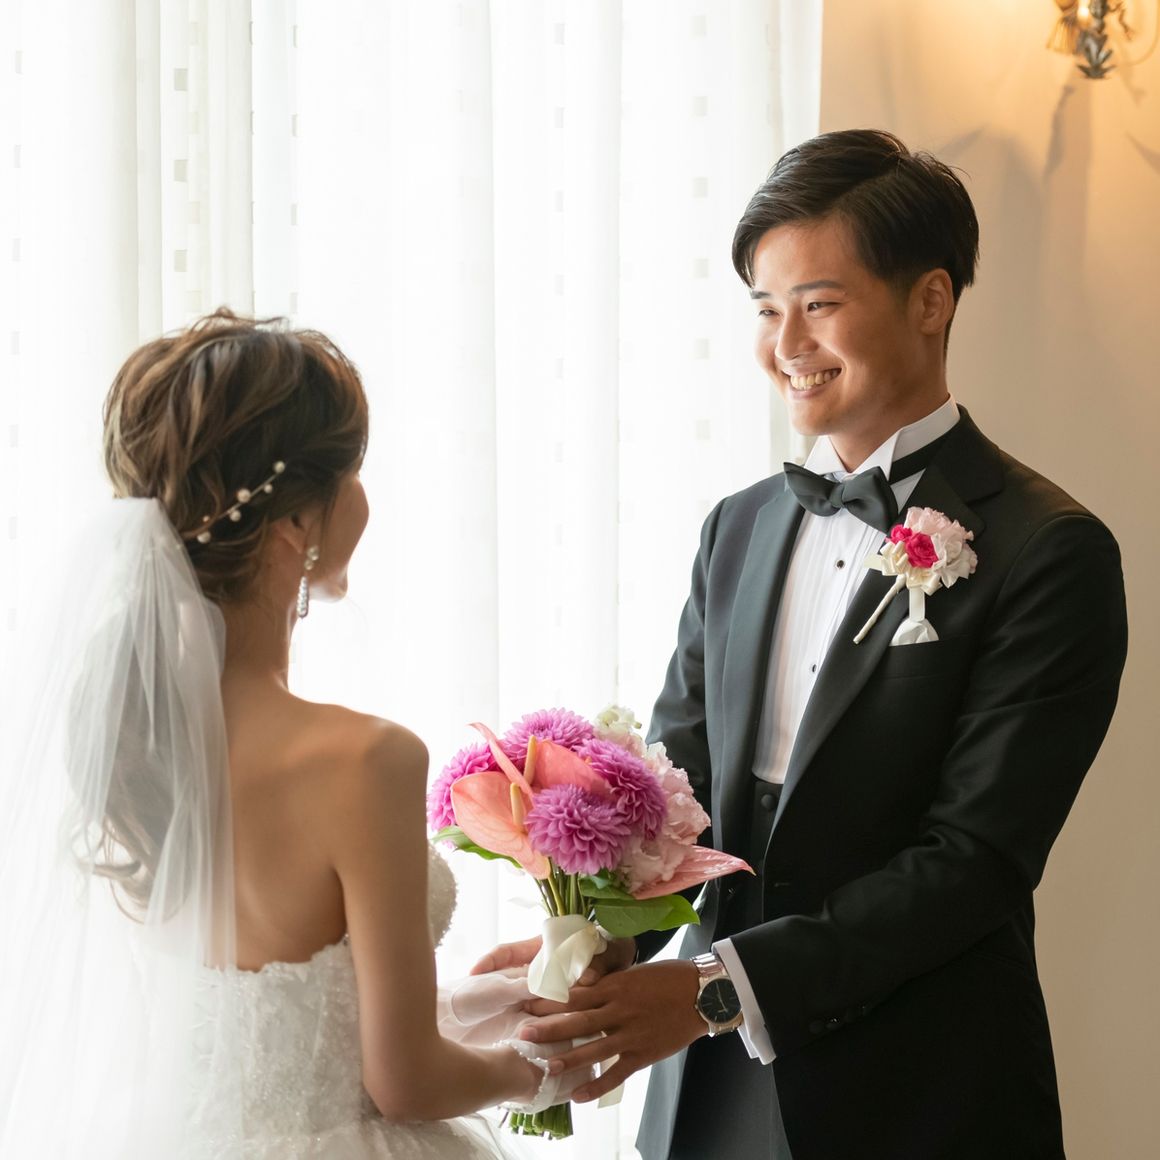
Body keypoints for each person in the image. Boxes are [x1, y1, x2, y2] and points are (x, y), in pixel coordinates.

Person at [500, 129, 1128, 1158]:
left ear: (930, 301)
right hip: (708, 1093)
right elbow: (680, 793)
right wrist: (598, 940)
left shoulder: (1047, 549)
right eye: (764, 308)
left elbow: (972, 861)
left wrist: (712, 991)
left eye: (818, 304)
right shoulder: (737, 526)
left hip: (923, 1093)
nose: (784, 342)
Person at [0, 310, 590, 1159]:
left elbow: (257, 1017)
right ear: (296, 525)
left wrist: (468, 1005)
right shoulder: (365, 759)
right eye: (353, 472)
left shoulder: (132, 732)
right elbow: (407, 1082)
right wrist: (540, 1070)